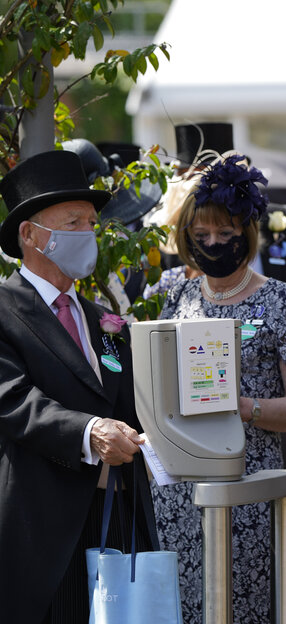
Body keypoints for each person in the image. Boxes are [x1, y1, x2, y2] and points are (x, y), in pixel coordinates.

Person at [0, 150, 156, 623]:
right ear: (31, 235)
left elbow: (129, 401)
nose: (88, 233)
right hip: (42, 522)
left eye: (91, 222)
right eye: (73, 222)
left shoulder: (102, 320)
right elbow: (15, 401)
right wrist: (90, 433)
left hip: (116, 514)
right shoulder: (5, 309)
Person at [151, 153, 286, 623]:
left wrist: (241, 406)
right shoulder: (177, 295)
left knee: (244, 605)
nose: (213, 244)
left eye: (225, 235)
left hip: (246, 480)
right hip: (179, 484)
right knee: (184, 606)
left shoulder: (278, 300)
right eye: (201, 237)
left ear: (246, 235)